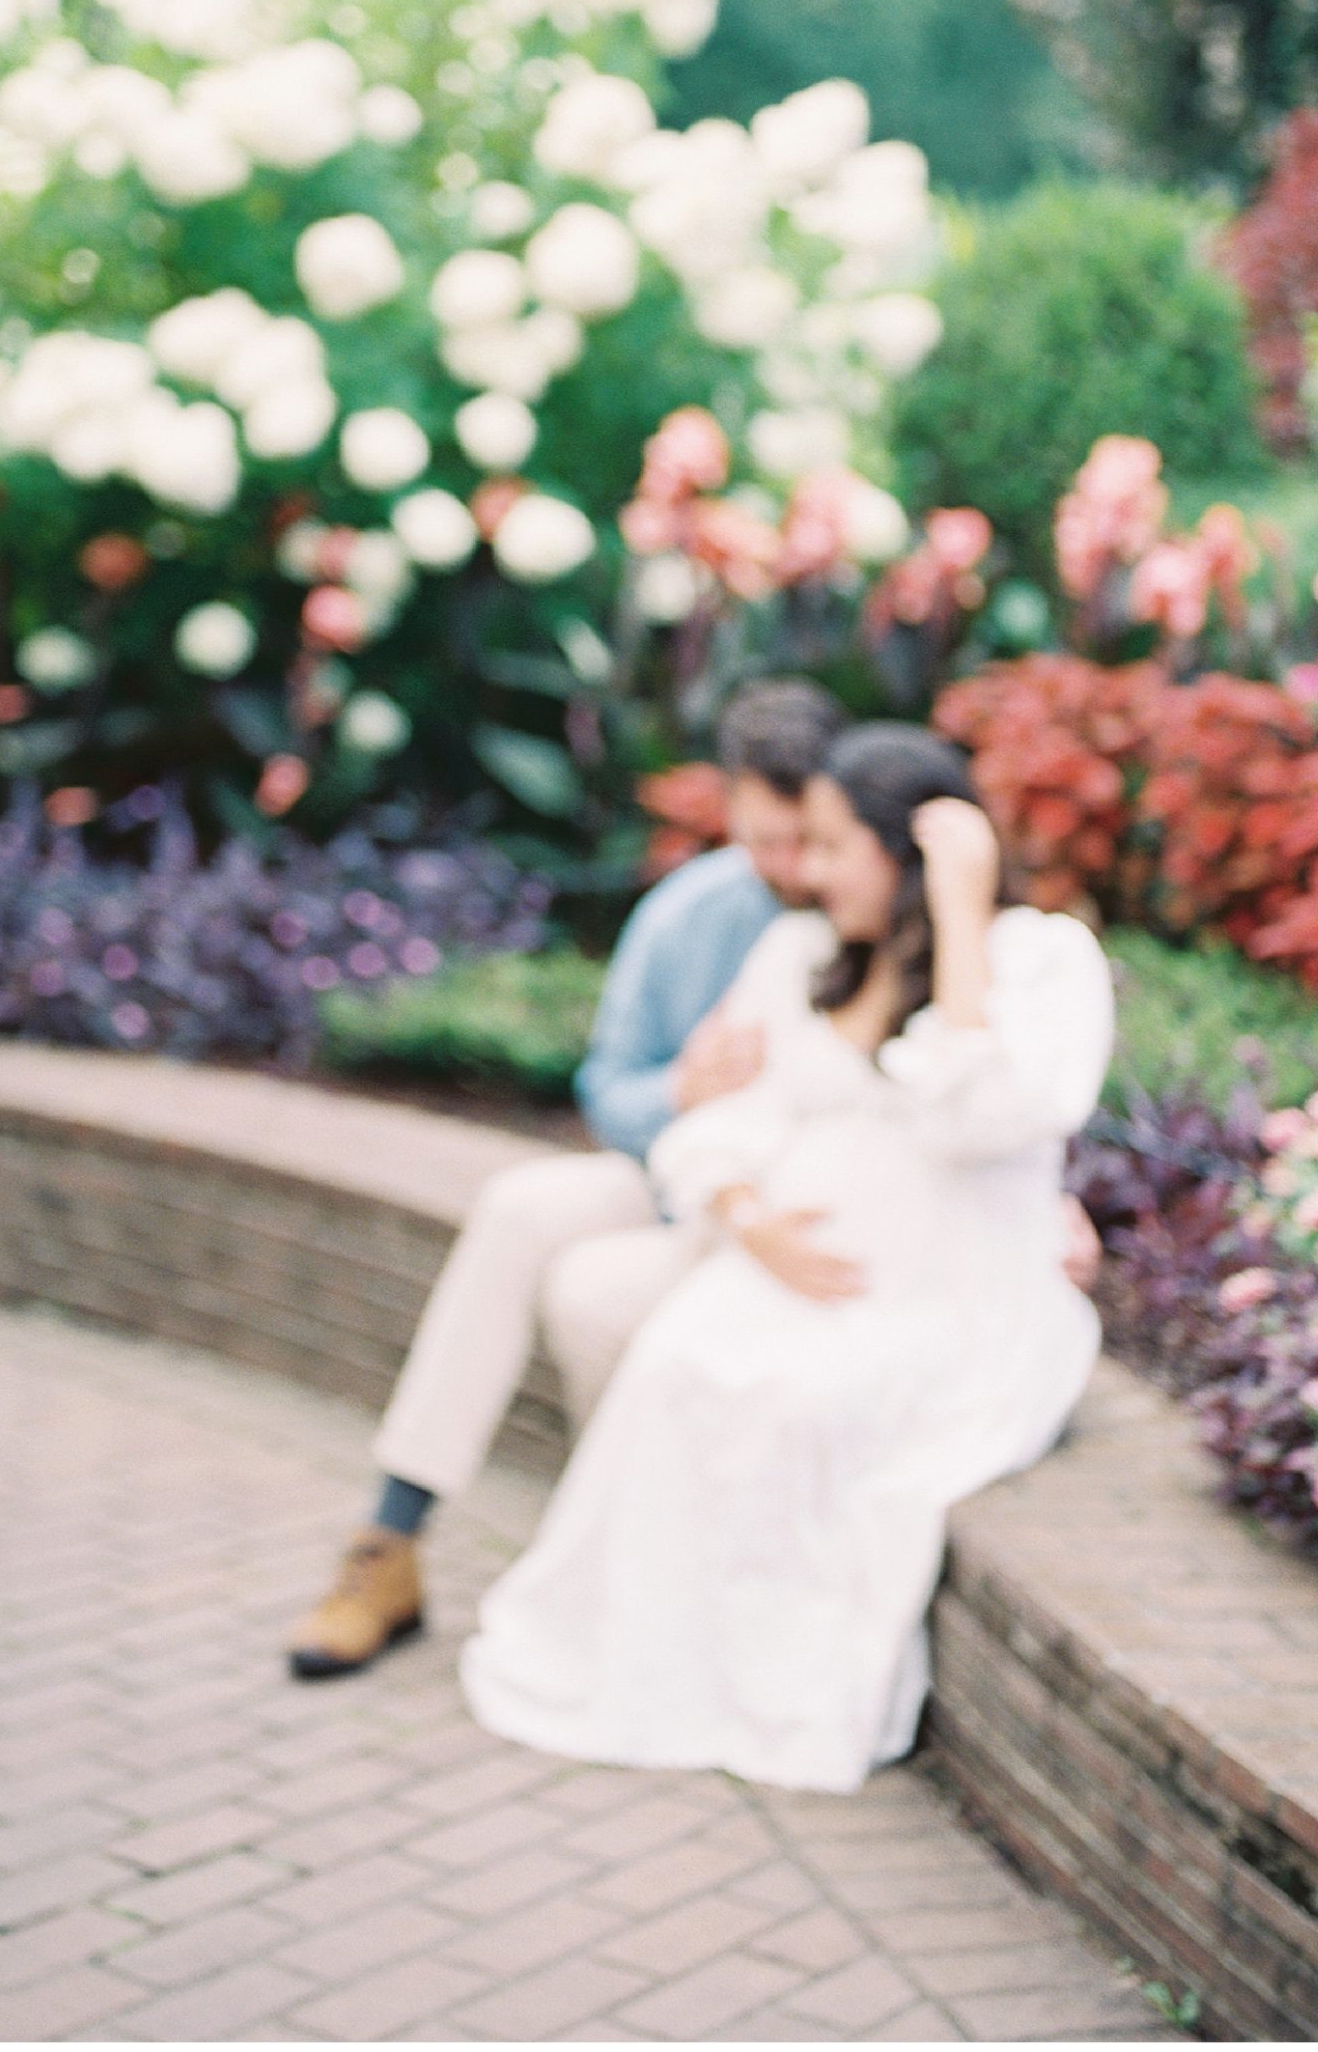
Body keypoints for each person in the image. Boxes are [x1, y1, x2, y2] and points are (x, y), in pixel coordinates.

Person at [458, 724, 1114, 1793]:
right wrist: (742, 1210)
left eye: (831, 846)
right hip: (782, 1275)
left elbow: (984, 1116)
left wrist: (958, 911)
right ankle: (659, 1658)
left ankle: (761, 1681)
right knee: (678, 1364)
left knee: (799, 1405)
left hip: (953, 1302)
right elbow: (731, 1110)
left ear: (905, 855)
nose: (804, 874)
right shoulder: (802, 954)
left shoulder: (1039, 959)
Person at [284, 678, 850, 1679]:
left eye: (808, 838)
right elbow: (605, 1087)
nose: (792, 867)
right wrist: (680, 1088)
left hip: (785, 1214)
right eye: (766, 840)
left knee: (583, 1286)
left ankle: (620, 1558)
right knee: (516, 1207)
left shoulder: (871, 911)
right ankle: (390, 1540)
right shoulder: (688, 915)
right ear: (727, 808)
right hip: (673, 1180)